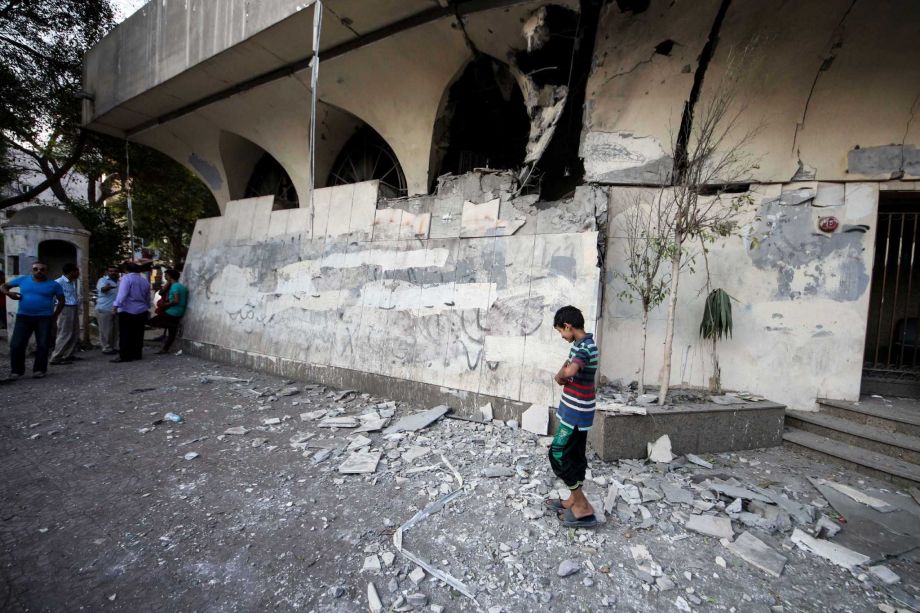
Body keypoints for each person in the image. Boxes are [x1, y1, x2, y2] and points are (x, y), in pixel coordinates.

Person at [543, 305, 600, 528]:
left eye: (560, 331)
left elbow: (570, 370)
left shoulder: (584, 348)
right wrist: (563, 372)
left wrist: (559, 376)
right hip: (575, 411)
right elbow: (569, 366)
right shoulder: (581, 344)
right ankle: (573, 500)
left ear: (568, 326)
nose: (561, 336)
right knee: (574, 457)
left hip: (576, 415)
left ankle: (582, 507)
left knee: (557, 455)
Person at [1, 261, 65, 379]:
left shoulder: (54, 285)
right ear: (32, 270)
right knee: (16, 344)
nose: (38, 271)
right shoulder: (23, 280)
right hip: (24, 316)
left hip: (44, 318)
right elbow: (3, 286)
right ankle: (16, 371)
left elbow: (62, 301)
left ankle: (39, 370)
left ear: (46, 271)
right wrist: (9, 294)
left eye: (42, 269)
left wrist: (55, 315)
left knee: (43, 345)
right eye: (36, 269)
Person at [111, 260, 151, 363]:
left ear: (126, 270)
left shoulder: (126, 278)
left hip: (127, 310)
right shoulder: (144, 280)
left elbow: (122, 294)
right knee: (138, 333)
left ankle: (124, 355)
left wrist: (115, 306)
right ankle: (137, 354)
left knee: (125, 334)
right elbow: (148, 297)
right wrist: (147, 307)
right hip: (141, 310)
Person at [146, 268, 188, 354]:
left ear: (170, 276)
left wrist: (165, 305)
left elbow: (176, 300)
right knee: (172, 333)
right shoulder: (181, 286)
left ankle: (174, 325)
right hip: (179, 311)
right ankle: (165, 349)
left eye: (166, 275)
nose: (165, 276)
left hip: (172, 311)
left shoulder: (174, 286)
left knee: (151, 322)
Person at [50, 263, 81, 365]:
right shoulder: (58, 282)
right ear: (72, 272)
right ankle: (56, 357)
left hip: (73, 307)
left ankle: (68, 354)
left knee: (75, 332)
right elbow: (53, 297)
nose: (78, 273)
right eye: (77, 271)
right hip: (65, 308)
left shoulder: (72, 282)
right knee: (65, 333)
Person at [95, 265, 120, 354]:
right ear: (107, 272)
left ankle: (114, 347)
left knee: (115, 330)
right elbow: (103, 289)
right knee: (106, 330)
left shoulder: (119, 281)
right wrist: (107, 287)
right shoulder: (103, 280)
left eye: (115, 271)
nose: (113, 273)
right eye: (111, 271)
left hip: (116, 309)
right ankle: (106, 348)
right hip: (104, 309)